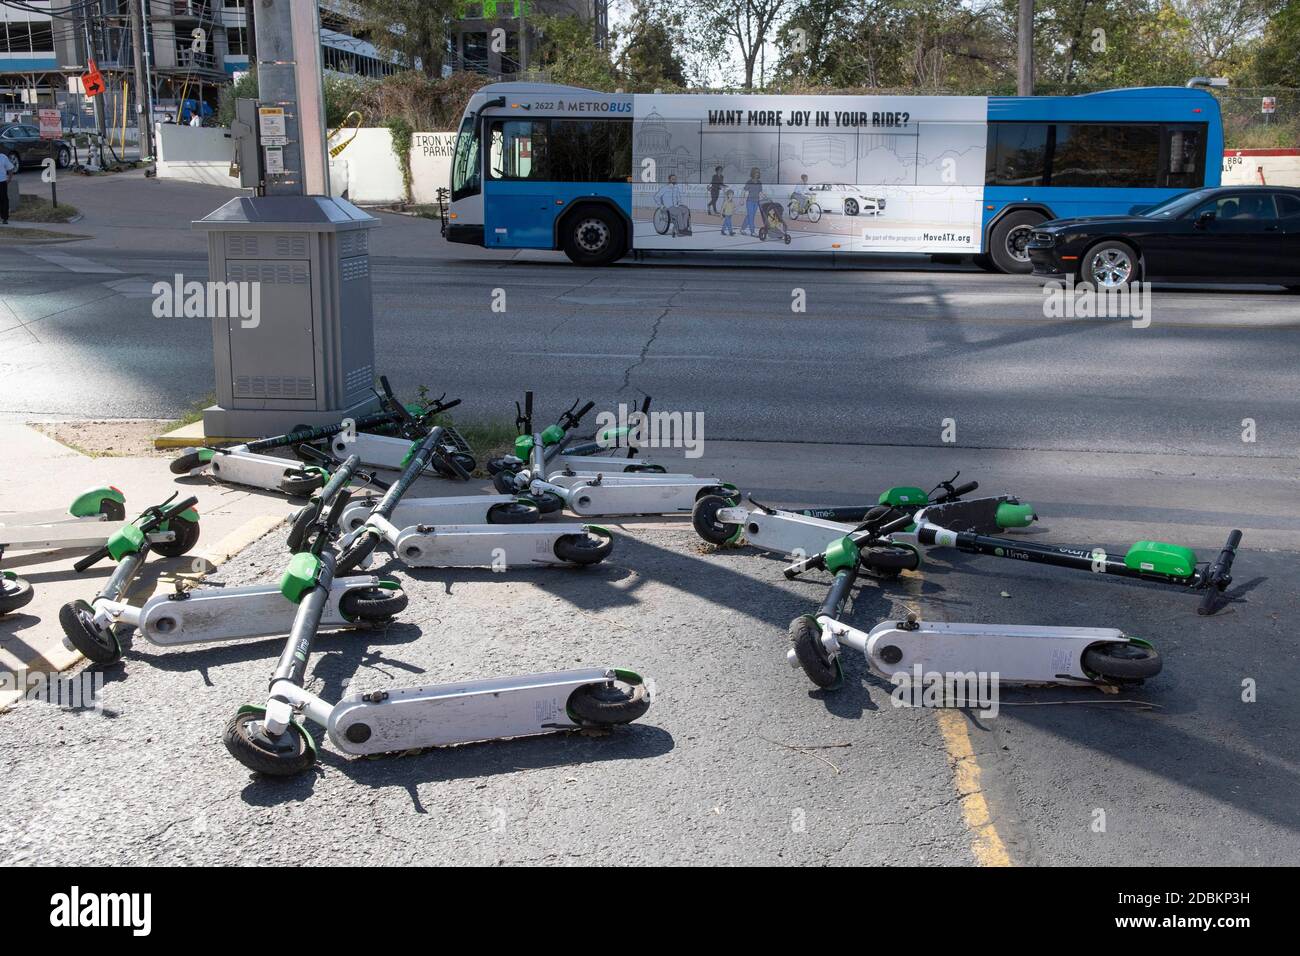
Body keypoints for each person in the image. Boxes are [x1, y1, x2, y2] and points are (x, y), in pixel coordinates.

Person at [741, 167, 763, 236]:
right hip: (749, 201)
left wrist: (766, 197)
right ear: (753, 173)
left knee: (750, 216)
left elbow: (760, 192)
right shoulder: (749, 182)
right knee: (751, 216)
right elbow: (744, 191)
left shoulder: (759, 182)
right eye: (756, 172)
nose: (757, 174)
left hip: (756, 202)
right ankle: (752, 231)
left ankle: (742, 229)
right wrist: (742, 200)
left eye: (758, 172)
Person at [0, 150, 16, 225]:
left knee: (3, 199)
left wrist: (9, 178)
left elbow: (10, 168)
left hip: (2, 181)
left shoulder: (3, 157)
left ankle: (4, 218)